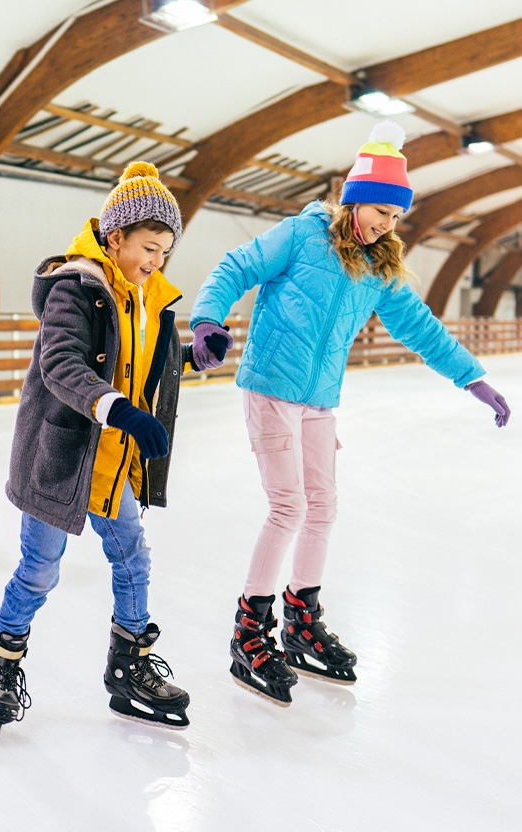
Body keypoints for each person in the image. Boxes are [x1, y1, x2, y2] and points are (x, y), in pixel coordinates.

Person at [188, 121, 511, 707]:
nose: (387, 225)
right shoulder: (301, 235)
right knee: (287, 508)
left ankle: (301, 620)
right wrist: (208, 318)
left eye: (396, 217)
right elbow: (234, 267)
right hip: (271, 387)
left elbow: (421, 327)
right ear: (355, 200)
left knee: (323, 508)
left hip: (319, 402)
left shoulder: (381, 267)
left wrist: (474, 378)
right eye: (380, 212)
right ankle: (249, 632)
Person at [0, 161, 218, 739]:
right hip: (61, 457)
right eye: (148, 248)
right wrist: (120, 410)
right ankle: (2, 663)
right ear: (115, 238)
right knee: (40, 569)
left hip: (113, 464)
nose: (156, 261)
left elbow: (141, 359)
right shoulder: (76, 286)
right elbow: (61, 365)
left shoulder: (148, 296)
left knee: (133, 558)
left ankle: (128, 663)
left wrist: (191, 356)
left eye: (165, 251)